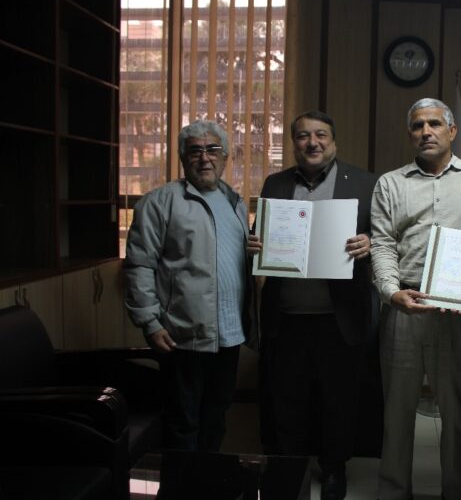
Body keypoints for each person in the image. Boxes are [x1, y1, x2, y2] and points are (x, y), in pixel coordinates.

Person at [370, 98, 461, 500]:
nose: (426, 131)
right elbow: (382, 243)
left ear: (452, 131)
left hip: (459, 310)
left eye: (434, 124)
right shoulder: (390, 183)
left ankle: (455, 492)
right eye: (417, 125)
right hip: (404, 306)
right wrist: (391, 292)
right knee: (396, 410)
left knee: (457, 410)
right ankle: (394, 492)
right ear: (410, 133)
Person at [253, 111, 378, 500]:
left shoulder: (365, 183)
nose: (313, 142)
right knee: (288, 399)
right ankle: (291, 468)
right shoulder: (275, 183)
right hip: (287, 317)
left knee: (338, 400)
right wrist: (255, 243)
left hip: (338, 318)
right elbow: (263, 236)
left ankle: (334, 468)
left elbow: (385, 236)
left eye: (321, 135)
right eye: (303, 136)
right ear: (294, 143)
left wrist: (370, 243)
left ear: (334, 141)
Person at [124, 119, 258, 452]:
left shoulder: (235, 202)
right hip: (183, 334)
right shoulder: (159, 202)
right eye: (195, 151)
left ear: (225, 157)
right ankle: (181, 479)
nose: (204, 157)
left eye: (212, 149)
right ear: (183, 158)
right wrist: (150, 323)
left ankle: (206, 476)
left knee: (217, 414)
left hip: (229, 333)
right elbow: (140, 265)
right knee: (183, 421)